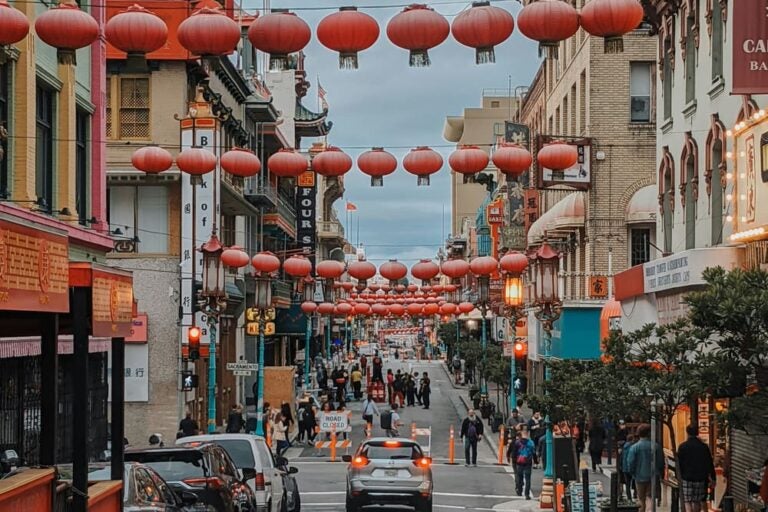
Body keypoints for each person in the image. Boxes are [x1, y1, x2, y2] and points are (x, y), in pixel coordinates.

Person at [678, 425, 716, 512]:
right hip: (700, 478)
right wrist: (713, 478)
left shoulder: (683, 447)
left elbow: (679, 463)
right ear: (697, 433)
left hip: (686, 477)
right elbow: (709, 463)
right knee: (697, 501)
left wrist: (679, 476)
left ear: (687, 433)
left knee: (687, 500)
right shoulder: (704, 447)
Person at [628, 424, 665, 512]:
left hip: (639, 476)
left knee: (641, 499)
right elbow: (660, 462)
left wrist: (633, 473)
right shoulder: (656, 446)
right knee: (650, 498)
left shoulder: (634, 448)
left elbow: (630, 462)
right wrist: (661, 473)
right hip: (653, 476)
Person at [512, 428, 538, 500]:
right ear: (527, 435)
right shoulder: (531, 443)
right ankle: (527, 494)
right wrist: (535, 461)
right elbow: (534, 453)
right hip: (528, 462)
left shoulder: (518, 442)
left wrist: (514, 461)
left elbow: (514, 453)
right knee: (528, 479)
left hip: (519, 462)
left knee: (520, 477)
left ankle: (519, 491)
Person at [621, 434, 637, 500]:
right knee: (635, 482)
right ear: (631, 440)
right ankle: (635, 494)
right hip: (631, 468)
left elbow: (622, 458)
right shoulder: (633, 447)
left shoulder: (624, 447)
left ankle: (629, 498)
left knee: (627, 484)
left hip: (625, 468)